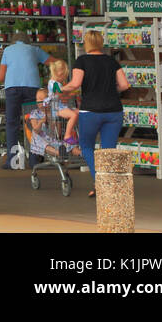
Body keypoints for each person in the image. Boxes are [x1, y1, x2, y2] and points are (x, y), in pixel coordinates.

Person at [61, 30, 130, 198]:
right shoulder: (111, 61)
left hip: (91, 111)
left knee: (86, 147)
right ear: (100, 42)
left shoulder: (82, 60)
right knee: (108, 150)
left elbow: (75, 83)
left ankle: (99, 182)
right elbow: (125, 85)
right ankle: (106, 185)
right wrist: (111, 91)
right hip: (114, 111)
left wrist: (60, 88)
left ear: (87, 44)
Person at [0, 31, 49, 168]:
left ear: (13, 41)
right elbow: (54, 62)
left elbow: (1, 77)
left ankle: (13, 162)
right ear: (27, 41)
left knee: (12, 123)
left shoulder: (7, 50)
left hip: (12, 89)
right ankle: (34, 160)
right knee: (33, 122)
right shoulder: (35, 50)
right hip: (32, 88)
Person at [38, 57, 79, 146]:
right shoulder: (54, 83)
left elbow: (61, 95)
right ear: (58, 73)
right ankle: (67, 135)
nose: (64, 78)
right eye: (63, 76)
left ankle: (72, 131)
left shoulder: (55, 83)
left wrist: (70, 94)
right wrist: (71, 92)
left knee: (78, 112)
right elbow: (59, 93)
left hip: (61, 106)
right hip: (56, 108)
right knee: (74, 114)